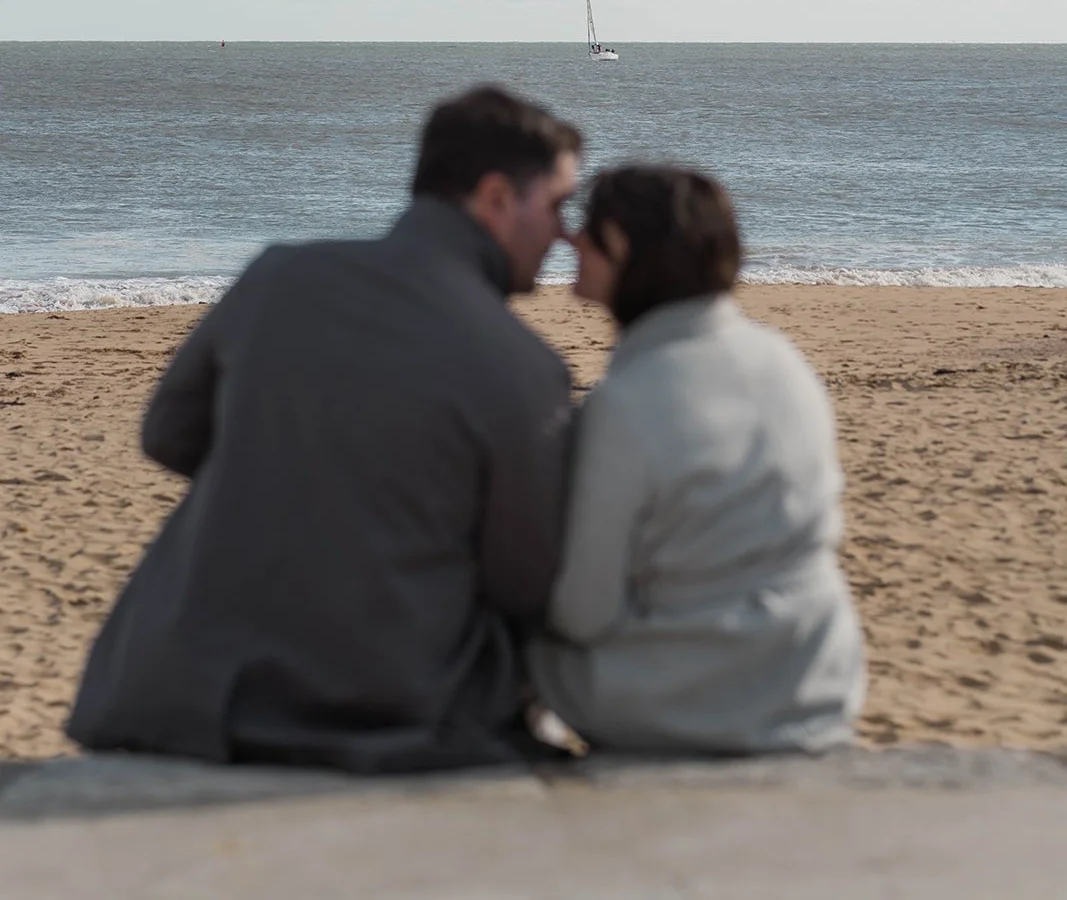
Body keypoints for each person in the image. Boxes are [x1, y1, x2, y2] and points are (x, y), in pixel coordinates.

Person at [68, 86, 581, 773]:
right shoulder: (522, 369)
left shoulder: (280, 275)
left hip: (181, 695)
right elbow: (522, 583)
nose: (563, 233)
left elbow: (166, 435)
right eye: (555, 205)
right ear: (494, 198)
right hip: (375, 710)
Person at [529, 165, 865, 755]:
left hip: (695, 706)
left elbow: (585, 614)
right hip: (818, 679)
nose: (570, 240)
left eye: (587, 229)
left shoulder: (626, 403)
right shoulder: (783, 362)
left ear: (624, 247)